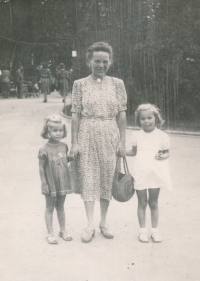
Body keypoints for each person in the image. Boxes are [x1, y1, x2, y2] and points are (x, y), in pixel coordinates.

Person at [69, 42, 127, 243]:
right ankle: (89, 224)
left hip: (110, 134)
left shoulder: (117, 84)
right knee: (89, 178)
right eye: (97, 61)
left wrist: (122, 142)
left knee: (107, 178)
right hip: (87, 133)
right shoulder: (80, 84)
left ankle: (103, 222)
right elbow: (75, 115)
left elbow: (121, 115)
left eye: (105, 61)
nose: (101, 65)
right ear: (88, 62)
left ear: (110, 62)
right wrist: (74, 142)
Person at [126, 103, 172, 243]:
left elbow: (166, 153)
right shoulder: (136, 135)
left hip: (154, 173)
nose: (146, 121)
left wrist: (162, 156)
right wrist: (121, 152)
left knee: (153, 202)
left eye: (149, 118)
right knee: (142, 202)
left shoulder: (162, 136)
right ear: (138, 120)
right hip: (140, 172)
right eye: (143, 119)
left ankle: (155, 231)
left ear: (155, 118)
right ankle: (142, 231)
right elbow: (133, 152)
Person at [38, 115, 73, 244]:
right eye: (54, 130)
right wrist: (44, 183)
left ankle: (62, 230)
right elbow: (41, 168)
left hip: (62, 181)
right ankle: (50, 233)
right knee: (49, 207)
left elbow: (64, 160)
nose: (58, 133)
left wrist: (72, 157)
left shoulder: (64, 146)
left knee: (61, 206)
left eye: (60, 130)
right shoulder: (44, 149)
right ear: (47, 132)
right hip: (50, 183)